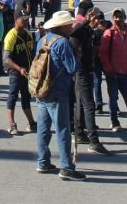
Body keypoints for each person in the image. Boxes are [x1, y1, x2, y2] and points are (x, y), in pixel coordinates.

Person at [34, 11, 85, 181]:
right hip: (58, 90)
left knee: (43, 128)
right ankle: (66, 167)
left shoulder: (43, 39)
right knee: (63, 129)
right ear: (61, 27)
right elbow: (72, 68)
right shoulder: (63, 42)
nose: (71, 26)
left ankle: (43, 161)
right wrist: (77, 55)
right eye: (68, 24)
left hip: (42, 89)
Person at [100, 8, 127, 133]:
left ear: (125, 17)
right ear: (113, 18)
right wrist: (109, 69)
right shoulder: (109, 33)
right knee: (113, 99)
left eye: (121, 16)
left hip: (126, 72)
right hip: (112, 73)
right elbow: (103, 53)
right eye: (116, 17)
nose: (118, 19)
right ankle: (114, 122)